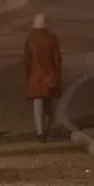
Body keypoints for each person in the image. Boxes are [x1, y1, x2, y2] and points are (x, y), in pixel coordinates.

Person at [23, 14, 62, 142]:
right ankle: (48, 129)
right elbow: (57, 59)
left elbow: (27, 61)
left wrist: (28, 75)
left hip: (35, 76)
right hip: (49, 76)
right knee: (49, 104)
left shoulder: (29, 40)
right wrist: (57, 73)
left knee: (37, 104)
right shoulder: (52, 38)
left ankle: (40, 132)